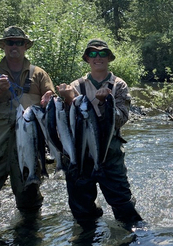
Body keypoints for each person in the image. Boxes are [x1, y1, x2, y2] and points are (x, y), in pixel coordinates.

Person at [0, 26, 55, 226]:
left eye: (19, 42)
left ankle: (30, 240)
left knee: (29, 196)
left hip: (29, 143)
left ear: (25, 46)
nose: (14, 46)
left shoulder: (39, 74)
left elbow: (52, 104)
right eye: (10, 42)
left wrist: (51, 99)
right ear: (3, 46)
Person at [57, 39, 142, 228]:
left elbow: (121, 119)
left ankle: (134, 236)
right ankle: (86, 241)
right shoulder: (76, 86)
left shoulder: (119, 85)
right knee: (81, 208)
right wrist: (67, 100)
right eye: (93, 54)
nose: (98, 57)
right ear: (87, 58)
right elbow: (65, 122)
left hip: (109, 153)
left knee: (122, 203)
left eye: (102, 53)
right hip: (80, 153)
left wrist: (106, 104)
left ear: (109, 58)